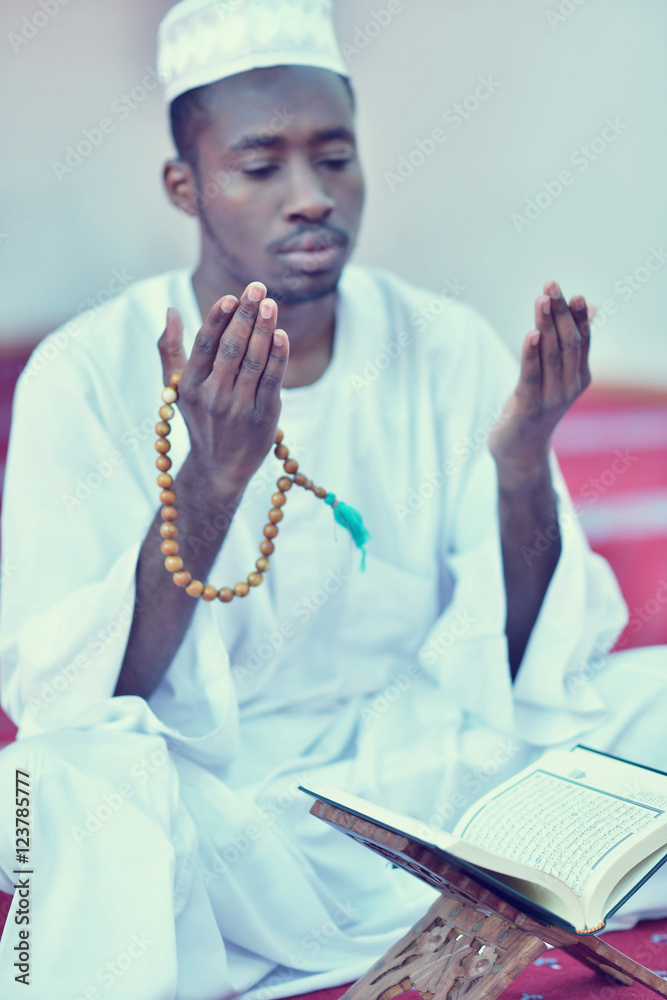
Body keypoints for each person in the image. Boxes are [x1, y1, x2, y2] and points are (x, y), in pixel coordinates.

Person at [0, 1, 665, 997]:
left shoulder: (442, 344)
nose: (310, 196)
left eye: (335, 158)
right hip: (231, 820)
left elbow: (530, 667)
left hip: (433, 785)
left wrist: (523, 464)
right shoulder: (85, 373)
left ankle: (506, 880)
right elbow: (85, 697)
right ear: (185, 185)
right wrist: (214, 478)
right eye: (261, 166)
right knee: (54, 792)